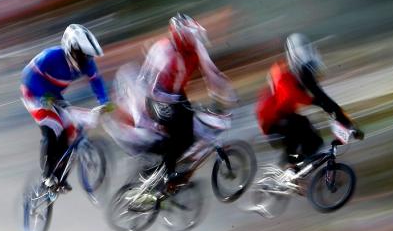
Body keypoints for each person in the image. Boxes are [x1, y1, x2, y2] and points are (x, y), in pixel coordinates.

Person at [139, 13, 239, 187]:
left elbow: (211, 74)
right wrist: (167, 106)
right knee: (178, 131)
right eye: (190, 36)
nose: (194, 40)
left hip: (176, 95)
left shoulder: (196, 47)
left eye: (194, 36)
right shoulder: (163, 51)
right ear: (180, 36)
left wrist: (225, 95)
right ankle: (167, 173)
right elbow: (149, 86)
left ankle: (168, 163)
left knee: (190, 131)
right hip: (154, 97)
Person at [256, 33, 363, 176]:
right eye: (308, 73)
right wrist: (314, 101)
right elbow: (291, 94)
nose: (310, 78)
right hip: (271, 122)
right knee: (296, 125)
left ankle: (293, 172)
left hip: (287, 118)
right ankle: (288, 166)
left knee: (315, 141)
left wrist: (349, 125)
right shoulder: (281, 71)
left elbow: (326, 101)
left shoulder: (304, 75)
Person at [21, 24, 110, 191]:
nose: (85, 61)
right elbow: (27, 76)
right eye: (82, 55)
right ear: (70, 49)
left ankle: (58, 177)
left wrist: (104, 102)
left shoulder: (86, 63)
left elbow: (96, 81)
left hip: (53, 96)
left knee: (69, 132)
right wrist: (44, 96)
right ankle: (47, 176)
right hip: (33, 94)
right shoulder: (52, 56)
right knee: (53, 126)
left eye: (87, 57)